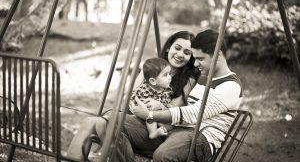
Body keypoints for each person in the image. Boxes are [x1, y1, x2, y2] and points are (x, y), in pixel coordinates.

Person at [67, 31, 200, 160]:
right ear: (168, 48)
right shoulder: (151, 67)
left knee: (108, 122)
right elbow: (130, 98)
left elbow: (172, 115)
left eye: (187, 52)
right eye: (177, 48)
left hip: (157, 131)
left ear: (191, 57)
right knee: (91, 122)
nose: (180, 54)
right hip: (134, 120)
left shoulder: (188, 79)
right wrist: (137, 107)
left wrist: (158, 106)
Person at [129, 29, 243, 161]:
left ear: (218, 55)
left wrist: (150, 115)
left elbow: (194, 114)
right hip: (176, 130)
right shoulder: (202, 80)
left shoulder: (230, 86)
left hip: (202, 137)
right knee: (116, 124)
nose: (195, 63)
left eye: (200, 58)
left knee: (162, 155)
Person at [130, 57, 173, 139]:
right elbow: (137, 102)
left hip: (159, 110)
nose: (169, 77)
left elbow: (166, 100)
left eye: (169, 74)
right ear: (153, 81)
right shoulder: (145, 91)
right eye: (165, 75)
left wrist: (165, 106)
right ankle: (152, 132)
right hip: (142, 112)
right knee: (151, 111)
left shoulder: (163, 87)